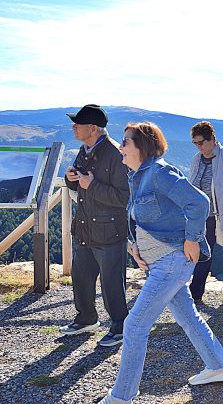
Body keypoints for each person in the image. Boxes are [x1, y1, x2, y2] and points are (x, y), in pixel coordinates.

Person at [99, 122, 223, 403]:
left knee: (134, 325)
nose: (120, 147)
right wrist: (136, 247)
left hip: (172, 261)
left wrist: (192, 239)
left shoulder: (159, 173)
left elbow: (199, 202)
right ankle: (218, 365)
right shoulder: (138, 176)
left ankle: (121, 396)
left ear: (142, 146)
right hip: (161, 262)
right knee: (187, 316)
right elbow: (142, 219)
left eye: (125, 142)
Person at [60, 104, 129, 347]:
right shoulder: (85, 150)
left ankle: (120, 327)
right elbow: (81, 186)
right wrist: (71, 180)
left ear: (92, 128)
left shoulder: (116, 154)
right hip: (85, 229)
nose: (73, 127)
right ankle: (86, 318)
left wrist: (92, 186)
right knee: (81, 278)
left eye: (77, 124)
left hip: (109, 233)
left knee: (112, 285)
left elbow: (124, 198)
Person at [188, 121, 223, 304]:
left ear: (212, 139)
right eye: (195, 143)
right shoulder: (197, 159)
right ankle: (196, 292)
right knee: (203, 253)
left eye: (201, 142)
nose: (199, 147)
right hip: (203, 216)